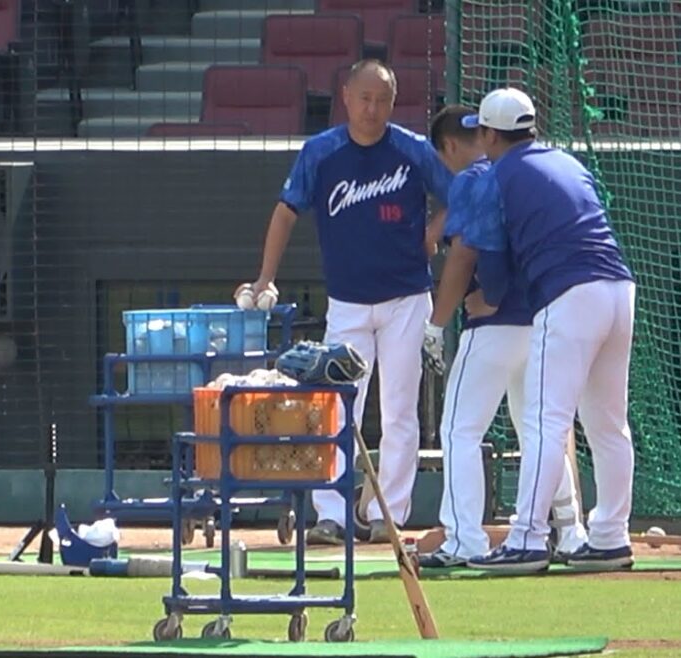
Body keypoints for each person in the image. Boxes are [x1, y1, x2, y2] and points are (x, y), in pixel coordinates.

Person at [240, 59, 452, 544]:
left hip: (405, 297)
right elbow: (285, 211)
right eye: (364, 98)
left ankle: (387, 515)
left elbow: (459, 195)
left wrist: (432, 233)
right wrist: (265, 276)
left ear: (393, 103)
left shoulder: (413, 149)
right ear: (345, 97)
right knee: (338, 408)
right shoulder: (321, 152)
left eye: (382, 100)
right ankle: (331, 513)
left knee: (400, 408)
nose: (372, 109)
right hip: (348, 301)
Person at [455, 88, 636, 572]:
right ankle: (610, 536)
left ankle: (528, 538)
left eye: (483, 131)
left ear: (491, 133)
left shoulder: (497, 176)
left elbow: (490, 257)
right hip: (619, 290)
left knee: (545, 419)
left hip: (571, 294)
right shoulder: (568, 162)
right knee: (608, 424)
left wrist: (489, 298)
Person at [417, 104, 587, 568]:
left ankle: (463, 539)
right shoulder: (538, 170)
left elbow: (463, 257)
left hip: (493, 326)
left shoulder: (474, 179)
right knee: (540, 430)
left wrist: (436, 321)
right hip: (540, 319)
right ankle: (571, 531)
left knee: (459, 429)